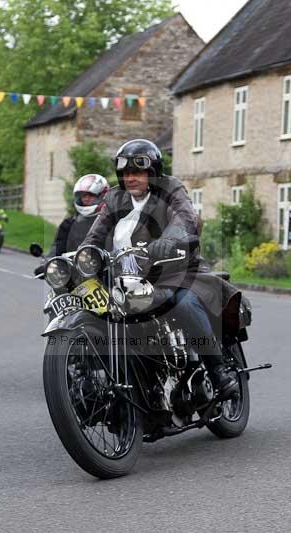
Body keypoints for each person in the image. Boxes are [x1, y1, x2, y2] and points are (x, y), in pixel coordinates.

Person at [80, 139, 240, 401]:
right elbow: (95, 235)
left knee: (184, 302)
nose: (131, 178)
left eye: (138, 172)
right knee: (99, 312)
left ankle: (218, 372)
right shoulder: (115, 198)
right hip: (128, 280)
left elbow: (185, 215)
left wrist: (170, 238)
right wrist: (82, 255)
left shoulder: (170, 188)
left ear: (152, 172)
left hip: (173, 272)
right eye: (126, 173)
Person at [33, 174, 109, 277]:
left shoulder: (111, 222)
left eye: (90, 195)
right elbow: (57, 247)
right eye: (82, 196)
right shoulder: (69, 223)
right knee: (57, 291)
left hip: (105, 273)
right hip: (74, 275)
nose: (85, 199)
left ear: (102, 196)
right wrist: (48, 263)